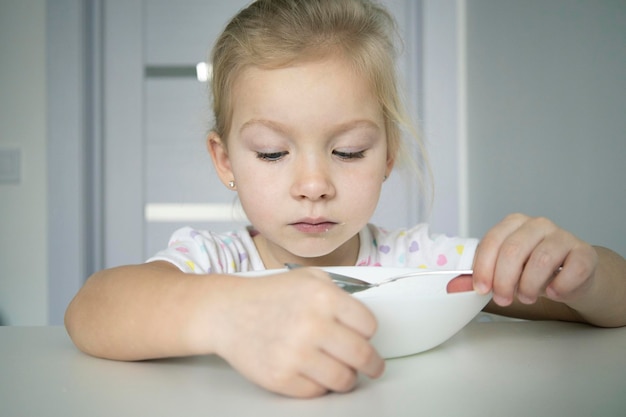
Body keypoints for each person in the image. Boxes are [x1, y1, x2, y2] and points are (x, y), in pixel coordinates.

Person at [65, 0, 626, 398]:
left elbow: (615, 301)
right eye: (271, 153)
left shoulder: (421, 264)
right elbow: (90, 311)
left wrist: (583, 274)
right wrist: (224, 313)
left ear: (387, 156)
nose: (314, 184)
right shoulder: (215, 264)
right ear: (224, 161)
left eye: (350, 151)